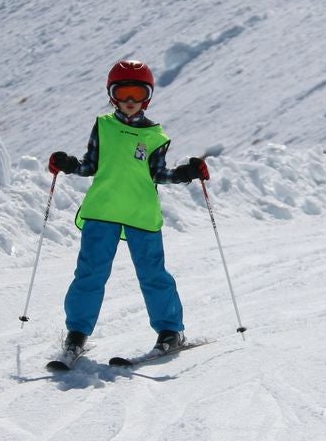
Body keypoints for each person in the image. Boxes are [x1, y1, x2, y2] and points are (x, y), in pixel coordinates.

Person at [48, 60, 209, 361]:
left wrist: (188, 171)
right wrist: (69, 164)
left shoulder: (155, 137)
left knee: (152, 273)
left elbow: (159, 174)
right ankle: (77, 334)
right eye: (124, 93)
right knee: (90, 273)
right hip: (103, 211)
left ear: (147, 96)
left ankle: (170, 331)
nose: (130, 101)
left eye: (137, 93)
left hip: (141, 214)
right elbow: (90, 164)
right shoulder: (104, 126)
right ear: (113, 95)